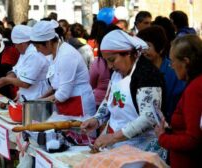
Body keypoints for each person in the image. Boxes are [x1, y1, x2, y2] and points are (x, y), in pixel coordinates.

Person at [81, 30, 166, 157]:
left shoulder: (147, 74)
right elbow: (109, 99)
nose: (110, 66)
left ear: (128, 54)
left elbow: (148, 117)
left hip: (144, 149)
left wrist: (113, 137)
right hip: (119, 145)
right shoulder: (117, 74)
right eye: (106, 61)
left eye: (112, 60)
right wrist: (97, 119)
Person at [31, 20, 96, 118]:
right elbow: (56, 86)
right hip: (67, 103)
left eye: (38, 46)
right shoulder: (53, 54)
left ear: (48, 43)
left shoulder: (66, 55)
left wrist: (39, 103)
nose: (37, 50)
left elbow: (63, 94)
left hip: (80, 104)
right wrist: (38, 99)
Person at [155, 35, 202, 168]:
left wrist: (163, 137)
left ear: (186, 61)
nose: (171, 66)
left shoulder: (195, 89)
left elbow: (193, 139)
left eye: (173, 61)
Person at [137, 26, 186, 123]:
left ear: (161, 48)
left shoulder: (173, 70)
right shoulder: (140, 69)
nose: (143, 51)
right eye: (141, 47)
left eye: (148, 46)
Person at [0, 25, 49, 101]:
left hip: (37, 98)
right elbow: (15, 70)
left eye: (16, 44)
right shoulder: (24, 53)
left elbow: (25, 83)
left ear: (23, 43)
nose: (15, 47)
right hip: (26, 97)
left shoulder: (35, 54)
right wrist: (2, 81)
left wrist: (6, 80)